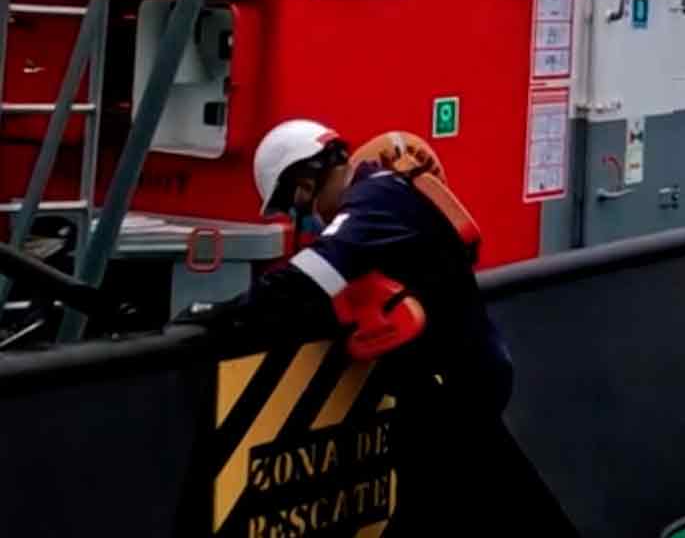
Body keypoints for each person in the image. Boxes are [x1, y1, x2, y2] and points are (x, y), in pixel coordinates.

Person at [180, 120, 521, 529]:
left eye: (298, 207)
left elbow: (305, 282)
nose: (306, 219)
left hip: (455, 388)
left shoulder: (373, 202)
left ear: (305, 184)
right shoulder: (384, 193)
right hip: (455, 380)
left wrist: (214, 314)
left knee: (434, 510)